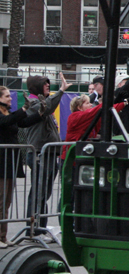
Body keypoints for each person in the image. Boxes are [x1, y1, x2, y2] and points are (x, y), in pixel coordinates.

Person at [25, 72, 74, 228]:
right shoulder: (33, 103)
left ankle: (41, 227)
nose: (48, 85)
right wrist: (61, 91)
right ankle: (34, 229)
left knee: (44, 194)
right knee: (38, 193)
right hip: (40, 153)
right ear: (36, 86)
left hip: (49, 153)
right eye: (44, 83)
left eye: (48, 83)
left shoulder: (42, 101)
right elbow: (45, 109)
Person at [0, 86, 43, 248]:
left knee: (7, 202)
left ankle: (3, 236)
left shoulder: (7, 112)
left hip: (9, 162)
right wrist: (24, 108)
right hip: (1, 162)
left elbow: (22, 122)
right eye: (6, 96)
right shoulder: (3, 115)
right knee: (1, 201)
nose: (10, 98)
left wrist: (40, 114)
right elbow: (6, 122)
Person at [61, 95, 126, 159]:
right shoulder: (75, 117)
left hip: (80, 154)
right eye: (87, 103)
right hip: (72, 157)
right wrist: (110, 102)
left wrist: (122, 104)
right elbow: (97, 110)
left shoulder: (87, 118)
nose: (91, 105)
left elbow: (105, 111)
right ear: (79, 107)